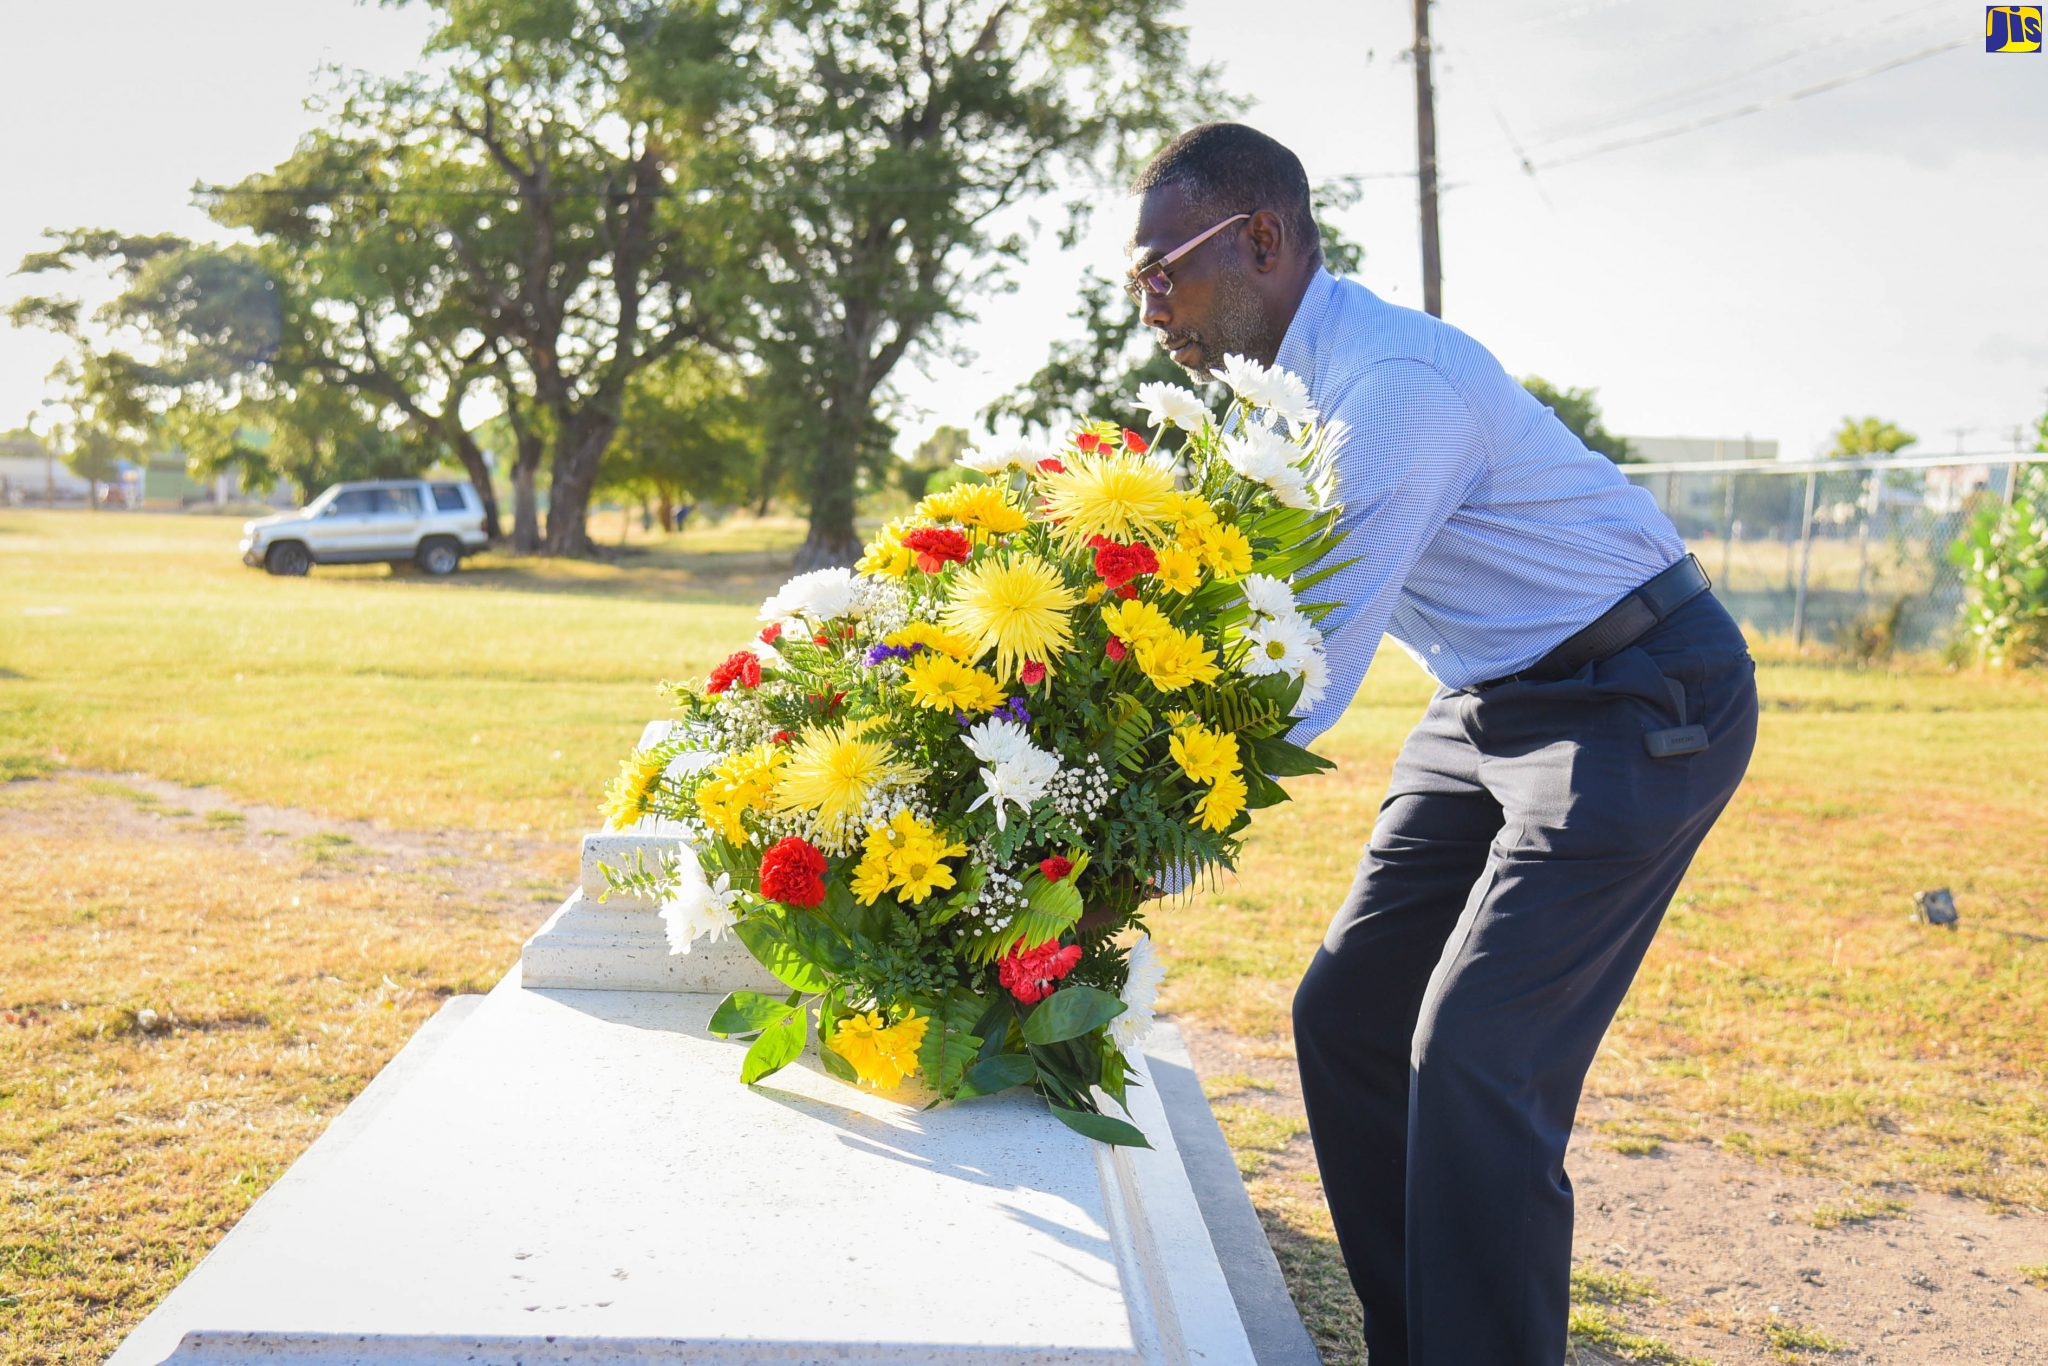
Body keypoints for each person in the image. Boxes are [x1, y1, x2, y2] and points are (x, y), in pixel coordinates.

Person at [1124, 122, 1759, 1366]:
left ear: (1259, 240)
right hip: (1485, 700)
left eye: (1163, 272)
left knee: (1473, 1058)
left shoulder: (1389, 391)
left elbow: (1296, 668)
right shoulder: (1286, 396)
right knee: (1348, 1012)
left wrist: (1123, 835)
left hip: (1635, 696)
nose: (1151, 309)